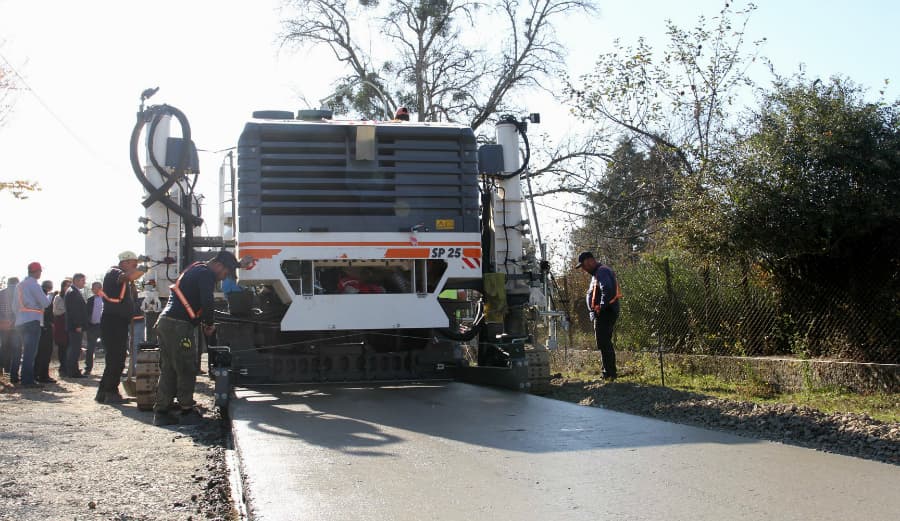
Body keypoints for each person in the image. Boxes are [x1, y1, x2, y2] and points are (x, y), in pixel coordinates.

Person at [152, 250, 240, 426]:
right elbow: (207, 301)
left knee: (169, 368)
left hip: (166, 323)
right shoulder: (206, 274)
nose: (223, 278)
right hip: (179, 326)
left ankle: (162, 412)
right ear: (219, 265)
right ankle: (186, 410)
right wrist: (209, 324)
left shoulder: (196, 269)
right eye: (225, 273)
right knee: (186, 366)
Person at [97, 251, 141, 404]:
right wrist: (146, 267)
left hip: (116, 321)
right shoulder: (115, 272)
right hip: (113, 322)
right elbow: (128, 276)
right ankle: (111, 392)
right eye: (133, 263)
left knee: (113, 358)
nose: (136, 267)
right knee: (117, 357)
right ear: (125, 262)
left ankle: (103, 392)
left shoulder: (115, 273)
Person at [575, 251, 622, 380]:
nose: (583, 269)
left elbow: (607, 290)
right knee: (603, 342)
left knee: (604, 342)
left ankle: (609, 373)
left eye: (583, 265)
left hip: (605, 312)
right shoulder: (597, 273)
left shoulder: (602, 271)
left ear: (590, 261)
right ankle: (607, 372)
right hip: (603, 312)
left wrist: (600, 307)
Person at [14, 262, 51, 387]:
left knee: (22, 352)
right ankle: (27, 380)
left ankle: (18, 377)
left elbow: (15, 306)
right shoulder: (34, 285)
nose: (40, 273)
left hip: (20, 322)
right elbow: (45, 303)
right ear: (37, 272)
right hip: (33, 321)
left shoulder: (19, 285)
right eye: (40, 271)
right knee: (30, 353)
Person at [64, 273, 89, 378]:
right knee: (74, 349)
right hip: (75, 326)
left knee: (75, 348)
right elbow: (74, 311)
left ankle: (73, 370)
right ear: (77, 280)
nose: (84, 283)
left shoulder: (73, 291)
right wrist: (78, 325)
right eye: (83, 281)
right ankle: (72, 372)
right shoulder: (73, 292)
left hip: (74, 325)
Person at [34, 280, 57, 384]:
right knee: (45, 352)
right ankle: (42, 375)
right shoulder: (45, 296)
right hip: (44, 327)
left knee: (40, 352)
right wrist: (50, 323)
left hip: (42, 326)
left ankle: (39, 374)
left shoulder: (44, 295)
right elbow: (45, 311)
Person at [0, 277, 20, 378]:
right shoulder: (19, 293)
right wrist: (12, 321)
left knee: (3, 348)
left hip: (2, 326)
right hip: (16, 326)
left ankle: (1, 371)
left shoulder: (1, 293)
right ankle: (14, 376)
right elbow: (18, 309)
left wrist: (3, 320)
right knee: (16, 350)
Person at [83, 281, 103, 376]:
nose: (97, 289)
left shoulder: (106, 299)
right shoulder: (90, 300)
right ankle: (88, 368)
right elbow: (86, 313)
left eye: (99, 287)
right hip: (93, 326)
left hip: (104, 326)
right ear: (92, 290)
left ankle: (111, 368)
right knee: (90, 348)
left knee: (108, 348)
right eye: (95, 288)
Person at [52, 279, 71, 376]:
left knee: (69, 346)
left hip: (70, 323)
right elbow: (56, 311)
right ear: (62, 286)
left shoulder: (72, 296)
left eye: (69, 285)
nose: (68, 287)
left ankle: (68, 366)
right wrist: (67, 310)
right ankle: (63, 367)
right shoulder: (58, 297)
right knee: (62, 346)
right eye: (66, 285)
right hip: (61, 323)